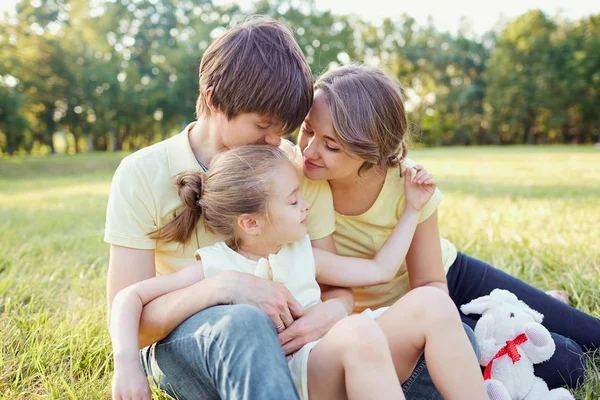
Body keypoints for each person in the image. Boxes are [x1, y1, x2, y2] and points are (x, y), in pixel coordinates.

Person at [297, 64, 599, 392]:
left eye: (332, 145)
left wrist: (452, 323)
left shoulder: (408, 183)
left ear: (373, 150)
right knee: (567, 361)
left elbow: (429, 283)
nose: (309, 150)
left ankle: (530, 305)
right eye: (307, 130)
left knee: (589, 334)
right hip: (399, 318)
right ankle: (515, 313)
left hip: (446, 278)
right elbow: (329, 287)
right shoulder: (302, 184)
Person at [110, 146, 488, 400]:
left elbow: (381, 269)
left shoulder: (301, 252)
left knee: (432, 304)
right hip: (293, 374)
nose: (305, 204)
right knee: (357, 330)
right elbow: (130, 296)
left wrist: (412, 209)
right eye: (293, 200)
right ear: (251, 224)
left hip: (340, 352)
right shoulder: (217, 264)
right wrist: (126, 364)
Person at [104, 16, 354, 400]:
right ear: (213, 97)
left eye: (284, 128)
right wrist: (223, 287)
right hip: (185, 344)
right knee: (245, 324)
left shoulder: (290, 171)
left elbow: (336, 283)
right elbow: (134, 322)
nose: (276, 142)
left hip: (294, 341)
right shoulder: (141, 174)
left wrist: (331, 314)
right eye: (263, 125)